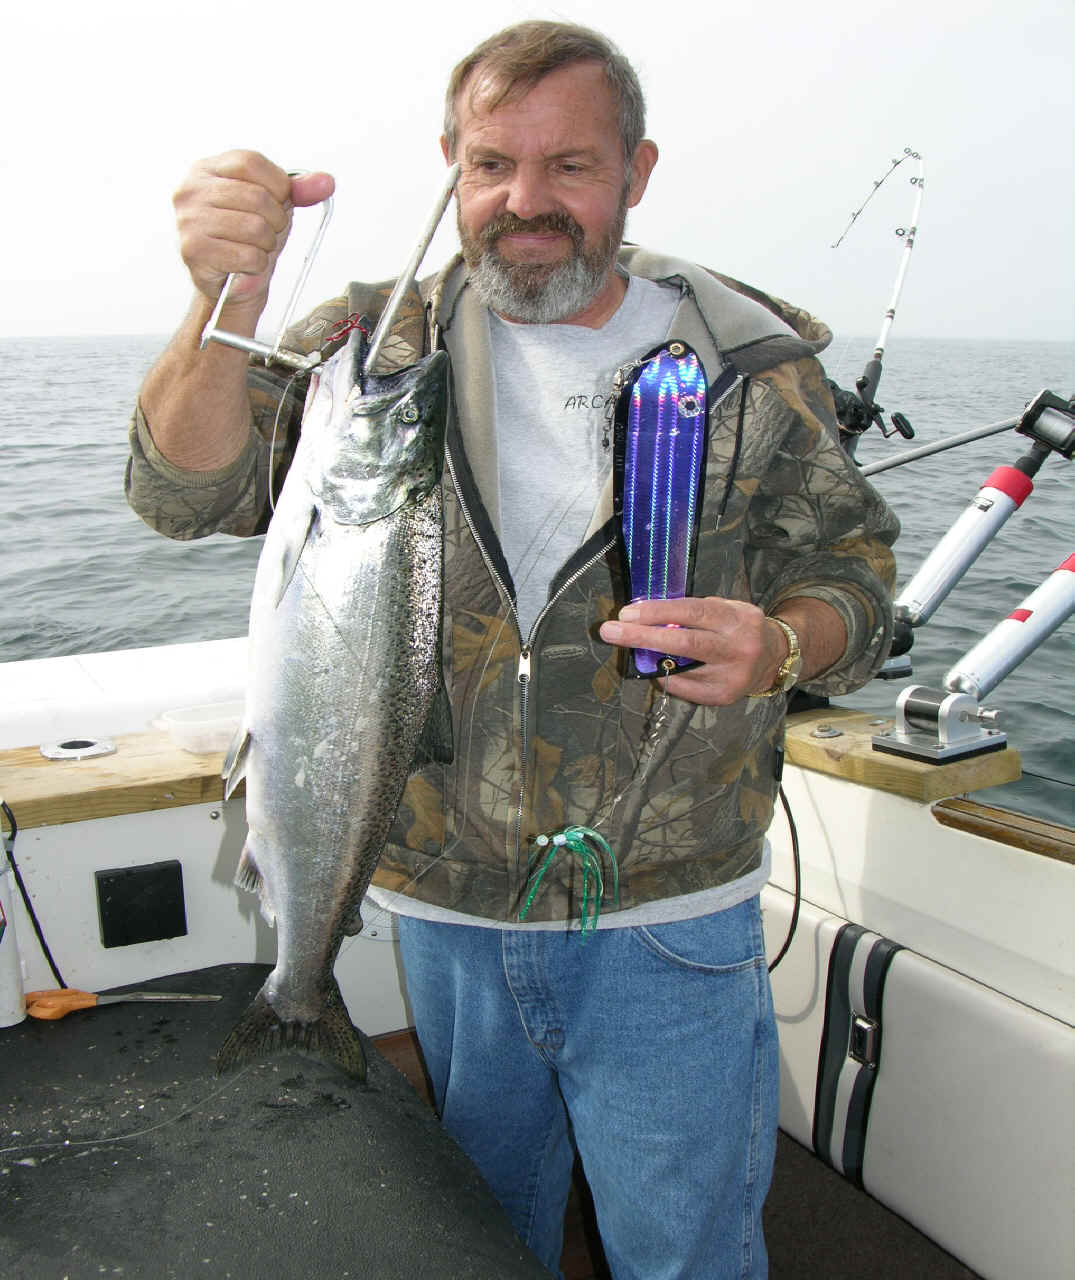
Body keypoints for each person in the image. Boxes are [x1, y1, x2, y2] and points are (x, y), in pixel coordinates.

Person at [127, 21, 898, 1279]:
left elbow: (857, 576)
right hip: (445, 910)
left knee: (686, 1254)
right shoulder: (370, 347)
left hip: (666, 912)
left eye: (570, 166)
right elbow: (180, 492)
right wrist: (228, 301)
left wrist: (780, 642)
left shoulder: (748, 359)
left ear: (637, 171)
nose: (524, 201)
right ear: (451, 166)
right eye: (491, 164)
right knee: (487, 1236)